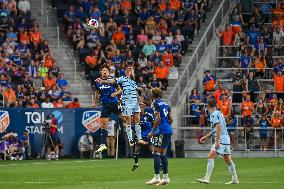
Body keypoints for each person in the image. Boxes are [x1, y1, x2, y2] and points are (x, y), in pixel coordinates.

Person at [96, 66, 146, 147]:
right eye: (133, 71)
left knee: (137, 120)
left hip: (135, 103)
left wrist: (140, 101)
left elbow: (135, 92)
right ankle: (130, 140)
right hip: (127, 102)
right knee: (128, 120)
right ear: (129, 72)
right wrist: (103, 81)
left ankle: (139, 138)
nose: (134, 73)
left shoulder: (133, 82)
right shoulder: (122, 78)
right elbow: (112, 81)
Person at [197, 98, 239, 184]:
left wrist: (217, 142)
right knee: (228, 160)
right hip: (226, 138)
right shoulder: (219, 113)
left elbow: (218, 127)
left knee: (210, 156)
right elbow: (216, 129)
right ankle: (235, 179)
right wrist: (206, 136)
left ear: (208, 106)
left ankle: (207, 178)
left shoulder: (213, 115)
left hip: (221, 139)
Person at [146, 88, 173, 185]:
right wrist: (167, 127)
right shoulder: (166, 104)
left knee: (156, 152)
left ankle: (156, 177)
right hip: (168, 130)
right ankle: (165, 178)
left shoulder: (154, 104)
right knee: (163, 154)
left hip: (161, 130)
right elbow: (171, 119)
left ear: (153, 95)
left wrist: (152, 132)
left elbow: (157, 119)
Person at [93, 65, 122, 153]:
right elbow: (97, 92)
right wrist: (94, 102)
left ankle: (133, 129)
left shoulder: (112, 80)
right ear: (101, 72)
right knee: (103, 124)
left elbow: (120, 90)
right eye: (103, 70)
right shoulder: (97, 81)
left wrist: (115, 93)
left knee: (124, 118)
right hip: (105, 105)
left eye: (106, 70)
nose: (105, 71)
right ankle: (103, 145)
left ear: (108, 72)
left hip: (114, 103)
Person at [132, 104, 154, 171]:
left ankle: (159, 164)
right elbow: (132, 125)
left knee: (152, 149)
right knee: (136, 149)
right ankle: (136, 164)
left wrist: (152, 132)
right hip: (140, 135)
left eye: (141, 107)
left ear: (144, 108)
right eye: (139, 107)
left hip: (148, 135)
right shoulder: (135, 116)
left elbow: (154, 123)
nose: (140, 109)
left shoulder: (148, 115)